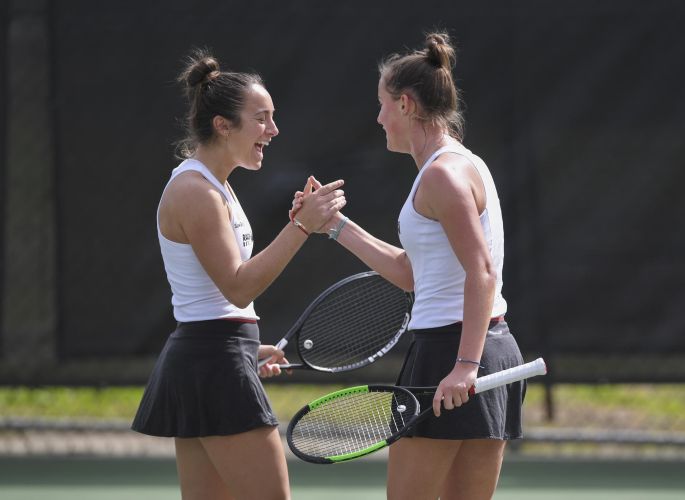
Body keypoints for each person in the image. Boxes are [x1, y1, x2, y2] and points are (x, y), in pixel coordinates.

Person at [294, 33, 525, 500]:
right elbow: (411, 273)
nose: (378, 118)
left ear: (404, 104)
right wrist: (334, 226)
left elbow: (482, 270)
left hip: (454, 352)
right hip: (481, 347)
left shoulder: (443, 174)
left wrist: (464, 365)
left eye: (381, 105)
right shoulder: (457, 166)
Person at [131, 49, 346, 500]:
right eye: (261, 118)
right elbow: (238, 283)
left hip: (212, 357)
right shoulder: (196, 192)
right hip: (211, 362)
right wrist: (302, 225)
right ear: (222, 125)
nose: (273, 130)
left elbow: (222, 299)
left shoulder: (217, 187)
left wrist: (246, 345)